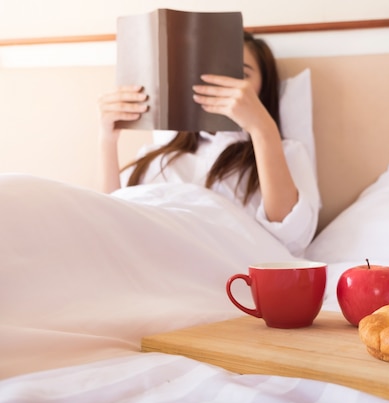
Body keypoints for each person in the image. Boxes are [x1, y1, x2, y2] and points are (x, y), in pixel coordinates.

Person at [96, 32, 320, 255]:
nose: (222, 86)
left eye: (241, 74)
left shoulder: (287, 152)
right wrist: (107, 139)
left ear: (263, 89)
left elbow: (294, 238)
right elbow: (110, 225)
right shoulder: (154, 157)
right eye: (209, 75)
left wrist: (263, 129)